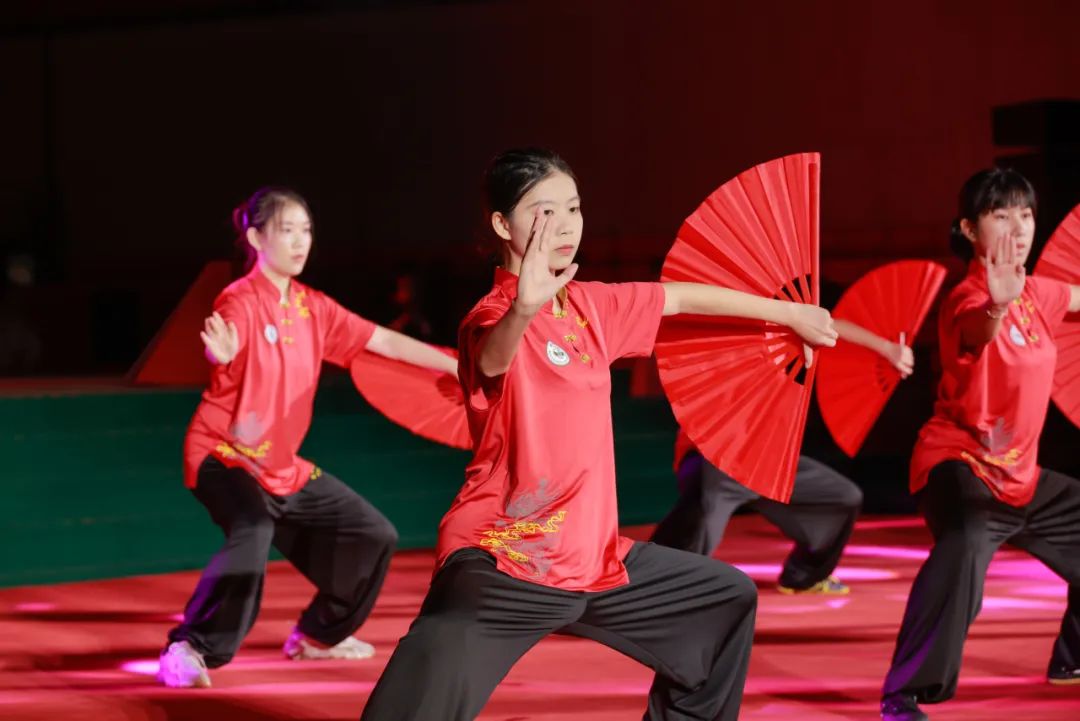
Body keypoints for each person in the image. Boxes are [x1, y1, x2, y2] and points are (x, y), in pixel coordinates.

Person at [359, 148, 839, 720]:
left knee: (723, 601)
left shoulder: (591, 306)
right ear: (503, 225)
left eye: (573, 207)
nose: (565, 225)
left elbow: (679, 296)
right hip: (508, 560)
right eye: (544, 212)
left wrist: (788, 314)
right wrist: (523, 310)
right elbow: (490, 360)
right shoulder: (490, 315)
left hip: (595, 560)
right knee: (415, 703)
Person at [157, 187, 458, 688]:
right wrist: (222, 354)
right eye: (287, 230)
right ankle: (190, 647)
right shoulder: (239, 299)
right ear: (257, 239)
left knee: (373, 534)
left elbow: (382, 340)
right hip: (223, 455)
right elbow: (229, 337)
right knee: (253, 527)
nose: (300, 242)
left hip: (282, 468)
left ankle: (319, 634)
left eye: (307, 231)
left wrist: (456, 366)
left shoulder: (313, 307)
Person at [880, 168, 1080, 721]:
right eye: (1000, 215)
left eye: (1026, 214)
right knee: (964, 545)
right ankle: (905, 694)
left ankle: (1072, 659)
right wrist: (996, 305)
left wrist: (1014, 297)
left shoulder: (1039, 292)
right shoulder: (965, 298)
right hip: (960, 466)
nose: (1018, 228)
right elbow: (976, 329)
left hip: (1023, 477)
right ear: (969, 229)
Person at [652, 319, 913, 594]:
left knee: (842, 497)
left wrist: (887, 349)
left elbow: (828, 324)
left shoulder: (782, 332)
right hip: (715, 456)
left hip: (765, 461)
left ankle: (804, 575)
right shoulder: (724, 340)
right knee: (696, 533)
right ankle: (654, 584)